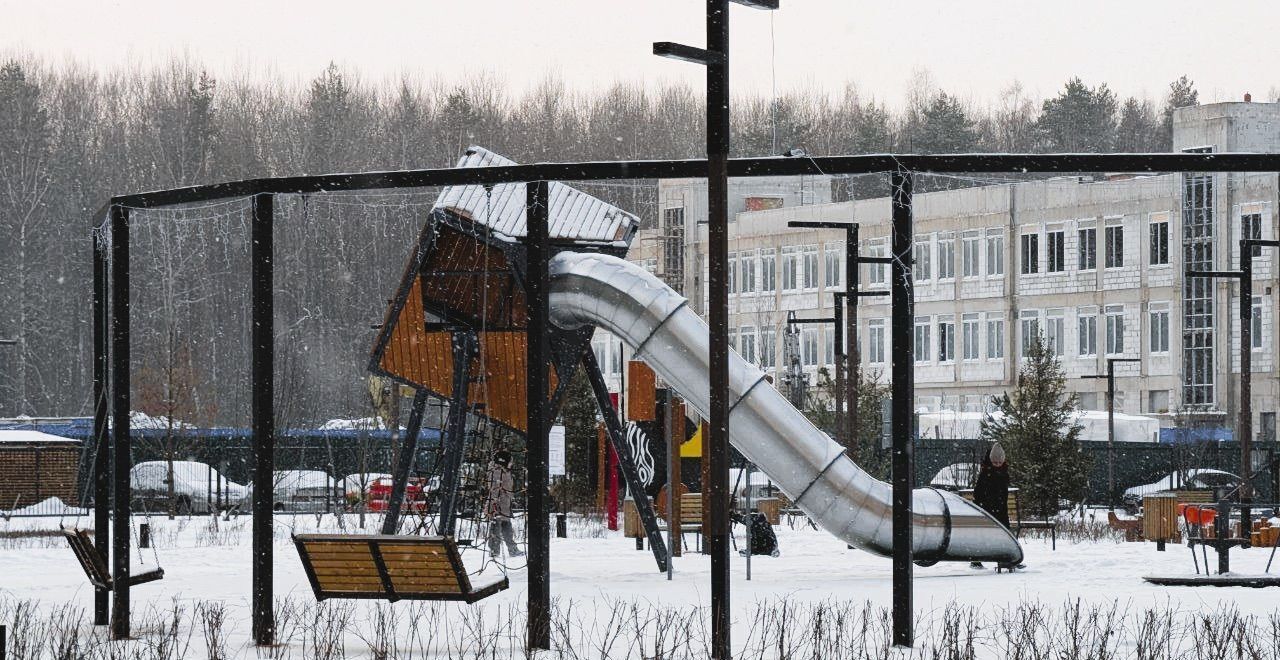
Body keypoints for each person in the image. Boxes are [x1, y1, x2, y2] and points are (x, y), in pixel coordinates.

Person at [970, 442, 1010, 569]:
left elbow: (1003, 493)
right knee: (983, 533)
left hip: (1000, 509)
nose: (997, 465)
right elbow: (978, 492)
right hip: (986, 509)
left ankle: (1008, 557)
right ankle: (976, 559)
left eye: (1000, 462)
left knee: (1005, 532)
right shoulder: (986, 473)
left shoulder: (1004, 473)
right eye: (995, 462)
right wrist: (983, 505)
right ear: (991, 461)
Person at [485, 449, 523, 557]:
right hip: (498, 505)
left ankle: (512, 549)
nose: (511, 463)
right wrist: (494, 504)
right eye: (510, 461)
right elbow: (495, 489)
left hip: (505, 504)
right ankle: (494, 551)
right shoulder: (497, 472)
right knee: (495, 529)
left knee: (507, 528)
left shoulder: (504, 471)